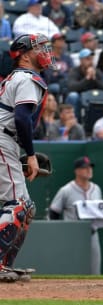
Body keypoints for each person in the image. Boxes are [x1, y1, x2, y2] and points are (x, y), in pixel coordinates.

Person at [0, 33, 54, 282]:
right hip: (3, 139)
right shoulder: (27, 78)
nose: (46, 50)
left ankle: (4, 264)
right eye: (40, 47)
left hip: (6, 140)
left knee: (26, 208)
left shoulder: (17, 78)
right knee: (18, 205)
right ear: (23, 54)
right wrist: (30, 155)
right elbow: (21, 118)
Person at [49, 156, 103, 275]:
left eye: (90, 167)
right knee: (72, 272)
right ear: (77, 171)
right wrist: (60, 233)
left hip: (92, 234)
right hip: (73, 236)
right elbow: (53, 212)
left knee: (95, 272)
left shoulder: (97, 189)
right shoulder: (66, 190)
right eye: (85, 168)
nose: (89, 170)